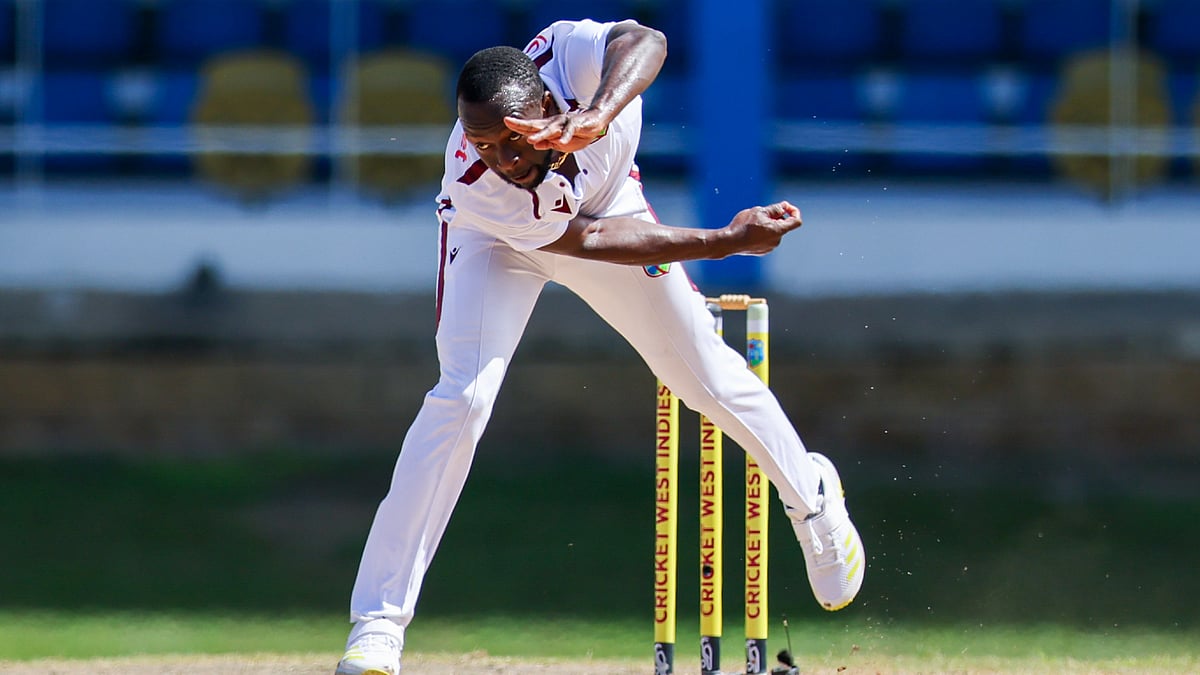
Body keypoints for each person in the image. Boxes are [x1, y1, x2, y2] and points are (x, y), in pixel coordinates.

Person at [335, 18, 865, 675]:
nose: (504, 157)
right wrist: (722, 241)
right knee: (463, 398)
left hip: (609, 203)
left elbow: (649, 42)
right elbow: (586, 244)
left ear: (548, 104)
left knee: (701, 375)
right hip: (500, 241)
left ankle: (812, 492)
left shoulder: (566, 55)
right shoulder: (483, 183)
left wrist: (598, 115)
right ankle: (378, 624)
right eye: (483, 142)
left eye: (513, 139)